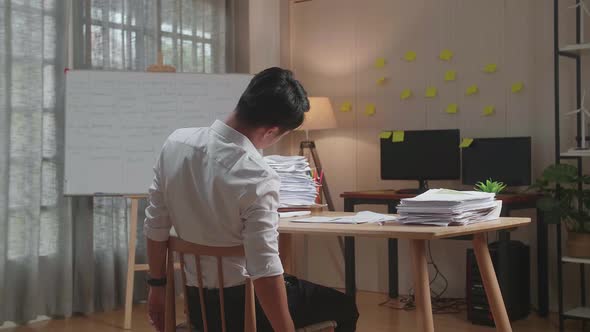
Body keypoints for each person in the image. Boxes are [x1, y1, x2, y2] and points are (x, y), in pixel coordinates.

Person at [144, 67, 359, 332]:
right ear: (272, 131)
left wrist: (156, 287)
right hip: (246, 310)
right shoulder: (258, 176)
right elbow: (265, 269)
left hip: (197, 305)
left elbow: (155, 226)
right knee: (345, 307)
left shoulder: (176, 143)